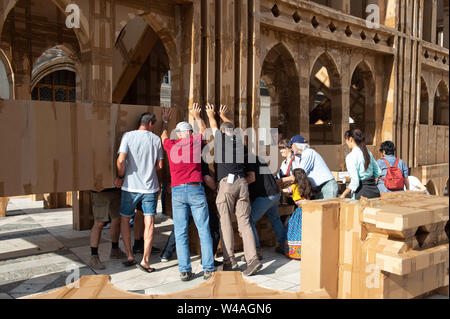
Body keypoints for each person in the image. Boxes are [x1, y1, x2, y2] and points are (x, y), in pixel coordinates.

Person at [205, 103, 262, 277]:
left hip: (227, 184)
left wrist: (210, 115)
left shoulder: (221, 140)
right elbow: (229, 129)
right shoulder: (240, 143)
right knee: (244, 223)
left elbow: (214, 127)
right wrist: (224, 117)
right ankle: (252, 260)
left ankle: (230, 261)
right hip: (242, 183)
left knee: (225, 222)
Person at [161, 105, 215, 281]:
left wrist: (165, 121)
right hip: (195, 189)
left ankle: (185, 271)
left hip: (177, 191)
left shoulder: (171, 145)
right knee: (203, 229)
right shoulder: (195, 141)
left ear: (178, 133)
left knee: (180, 231)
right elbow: (206, 131)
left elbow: (162, 137)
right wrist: (198, 116)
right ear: (190, 133)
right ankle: (208, 268)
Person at [115, 112, 164, 272]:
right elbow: (160, 166)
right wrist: (149, 170)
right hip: (150, 188)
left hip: (130, 187)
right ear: (150, 124)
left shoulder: (127, 136)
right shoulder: (156, 139)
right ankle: (145, 260)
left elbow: (121, 160)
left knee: (124, 219)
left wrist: (121, 176)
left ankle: (129, 255)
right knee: (149, 223)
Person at [159, 159, 222, 267]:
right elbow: (206, 178)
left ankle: (167, 254)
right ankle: (208, 259)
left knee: (180, 229)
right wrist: (217, 189)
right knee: (210, 228)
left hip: (180, 192)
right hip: (198, 195)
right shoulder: (199, 156)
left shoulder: (180, 154)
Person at [247, 153, 286, 260]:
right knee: (275, 218)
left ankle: (256, 250)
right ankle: (284, 245)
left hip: (265, 197)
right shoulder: (257, 158)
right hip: (275, 193)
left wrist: (240, 185)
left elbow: (252, 178)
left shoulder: (247, 160)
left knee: (249, 221)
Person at [283, 135, 338, 199]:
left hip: (326, 186)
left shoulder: (308, 153)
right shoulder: (302, 156)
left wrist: (281, 181)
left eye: (291, 146)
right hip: (320, 188)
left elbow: (299, 175)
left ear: (295, 145)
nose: (291, 148)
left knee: (328, 208)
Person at [88, 188, 126, 269]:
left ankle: (115, 250)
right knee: (99, 222)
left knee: (117, 219)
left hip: (115, 190)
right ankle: (94, 256)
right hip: (100, 191)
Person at [340, 129, 381, 200]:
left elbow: (355, 181)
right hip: (374, 191)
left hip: (362, 193)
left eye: (346, 140)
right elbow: (378, 172)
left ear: (350, 139)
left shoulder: (351, 156)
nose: (346, 143)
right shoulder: (368, 152)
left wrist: (343, 194)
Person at [282, 168, 313, 259]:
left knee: (294, 227)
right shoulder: (308, 185)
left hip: (299, 210)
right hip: (308, 209)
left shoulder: (294, 186)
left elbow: (284, 191)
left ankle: (296, 253)